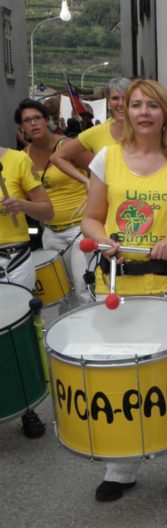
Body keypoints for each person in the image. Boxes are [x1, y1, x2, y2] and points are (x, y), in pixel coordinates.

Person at [81, 79, 167, 502]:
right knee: (121, 378)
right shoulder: (106, 158)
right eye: (136, 105)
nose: (144, 112)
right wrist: (105, 236)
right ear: (124, 111)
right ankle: (121, 466)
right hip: (117, 286)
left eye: (152, 105)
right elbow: (90, 218)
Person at [0, 146, 53, 439]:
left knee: (17, 336)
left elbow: (48, 209)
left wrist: (21, 205)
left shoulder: (17, 160)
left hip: (15, 258)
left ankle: (27, 406)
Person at [15, 99, 89, 302]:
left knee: (83, 287)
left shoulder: (67, 145)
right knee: (59, 291)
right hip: (51, 232)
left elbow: (100, 172)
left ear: (46, 120)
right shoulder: (22, 157)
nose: (33, 124)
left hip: (80, 229)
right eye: (27, 121)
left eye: (37, 118)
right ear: (21, 128)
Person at [51, 78, 131, 186]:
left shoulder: (147, 130)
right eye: (115, 98)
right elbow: (57, 157)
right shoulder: (97, 132)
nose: (121, 103)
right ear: (108, 104)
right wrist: (86, 182)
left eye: (125, 98)